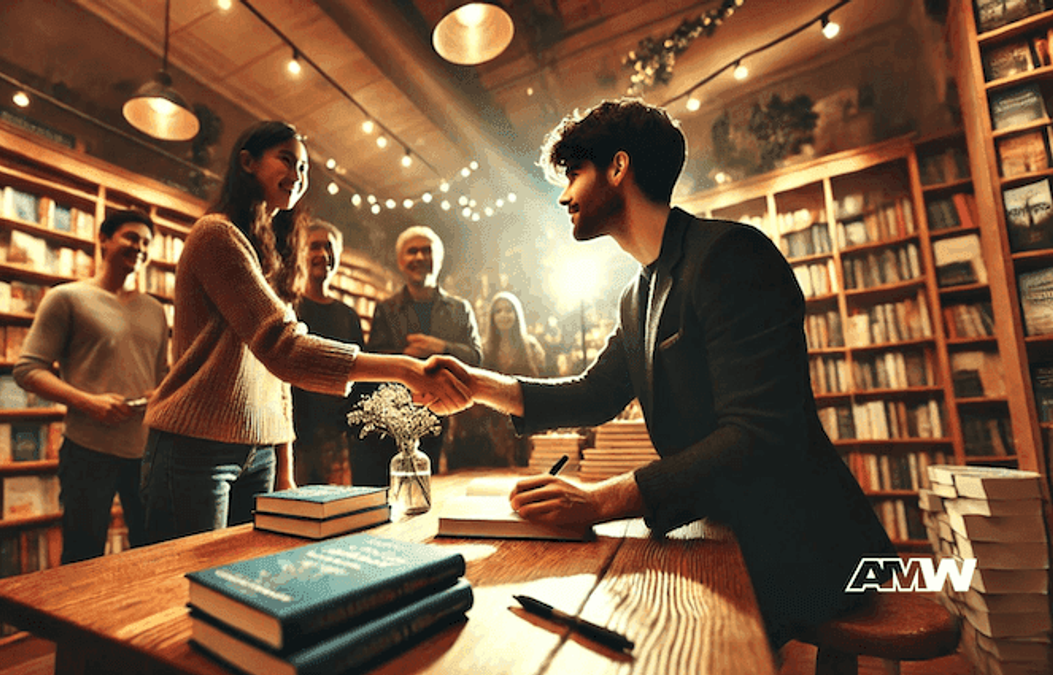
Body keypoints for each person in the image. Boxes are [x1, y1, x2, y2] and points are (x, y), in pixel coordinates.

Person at [428, 99, 894, 650]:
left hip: (800, 542)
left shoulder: (731, 255)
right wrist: (476, 384)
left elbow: (755, 434)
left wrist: (599, 499)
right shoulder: (637, 294)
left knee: (659, 642)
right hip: (722, 529)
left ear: (618, 168)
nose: (563, 195)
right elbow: (595, 393)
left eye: (575, 173)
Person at [140, 121, 467, 543]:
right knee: (178, 589)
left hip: (259, 454)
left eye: (305, 168)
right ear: (247, 162)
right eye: (287, 160)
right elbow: (284, 348)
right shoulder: (217, 235)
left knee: (245, 580)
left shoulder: (271, 257)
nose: (298, 174)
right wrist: (406, 369)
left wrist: (283, 465)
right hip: (195, 450)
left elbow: (275, 377)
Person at [14, 208, 168, 564]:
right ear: (104, 239)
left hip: (146, 455)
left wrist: (159, 394)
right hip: (87, 451)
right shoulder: (66, 298)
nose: (140, 248)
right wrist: (88, 402)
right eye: (131, 237)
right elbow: (27, 370)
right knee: (82, 558)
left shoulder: (156, 310)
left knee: (154, 555)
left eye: (146, 243)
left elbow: (159, 378)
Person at [354, 226, 481, 484]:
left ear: (439, 260)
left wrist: (440, 347)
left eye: (427, 251)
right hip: (397, 421)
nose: (420, 257)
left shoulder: (460, 309)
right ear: (401, 261)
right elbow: (374, 356)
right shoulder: (386, 309)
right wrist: (405, 358)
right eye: (412, 252)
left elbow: (476, 357)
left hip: (450, 415)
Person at [291, 219, 364, 485]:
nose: (322, 254)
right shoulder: (288, 308)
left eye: (329, 247)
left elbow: (360, 378)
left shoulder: (349, 316)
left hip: (338, 437)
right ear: (300, 253)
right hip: (294, 437)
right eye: (314, 247)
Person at [447, 292, 544, 468]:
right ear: (492, 317)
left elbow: (542, 388)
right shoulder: (483, 350)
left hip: (524, 426)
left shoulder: (532, 348)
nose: (504, 315)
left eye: (509, 310)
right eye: (498, 311)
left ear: (517, 314)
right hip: (490, 432)